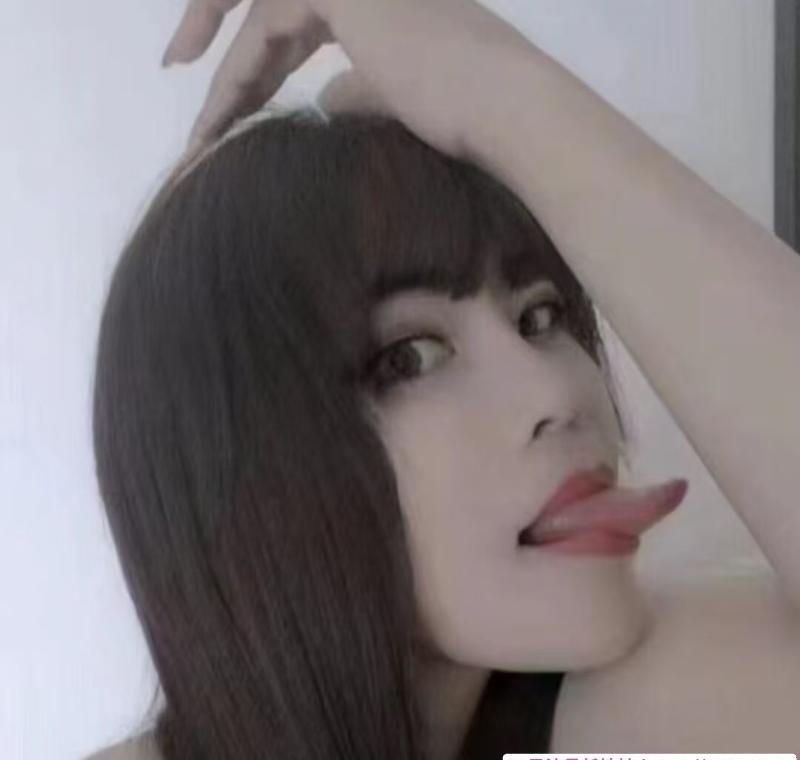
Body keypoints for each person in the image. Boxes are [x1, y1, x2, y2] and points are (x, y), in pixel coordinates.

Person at [85, 0, 800, 757]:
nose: (560, 395)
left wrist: (497, 83)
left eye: (541, 317)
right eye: (413, 358)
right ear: (237, 465)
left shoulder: (615, 712)